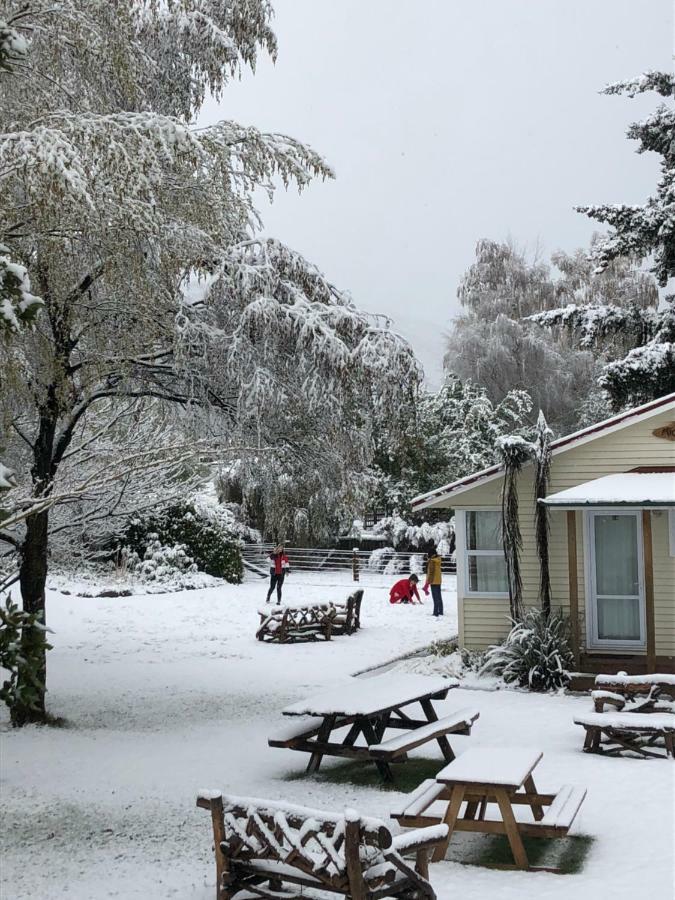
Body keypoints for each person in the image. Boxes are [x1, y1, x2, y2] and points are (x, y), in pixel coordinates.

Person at [423, 545, 443, 617]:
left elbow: (430, 573)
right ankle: (440, 611)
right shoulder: (438, 559)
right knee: (439, 597)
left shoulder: (432, 561)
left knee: (435, 598)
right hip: (438, 581)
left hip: (433, 581)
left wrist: (428, 582)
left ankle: (435, 613)